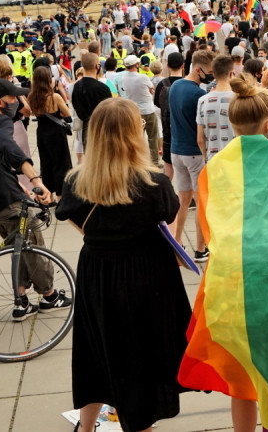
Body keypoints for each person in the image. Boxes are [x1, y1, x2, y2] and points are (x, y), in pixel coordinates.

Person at [178, 74, 268, 432]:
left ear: (233, 124)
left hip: (227, 283)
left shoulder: (214, 168)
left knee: (240, 377)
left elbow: (211, 229)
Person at [56, 98, 191, 432]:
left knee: (95, 350)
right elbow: (170, 215)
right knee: (140, 352)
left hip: (97, 272)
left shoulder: (76, 181)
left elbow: (71, 216)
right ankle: (139, 423)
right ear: (135, 135)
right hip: (146, 274)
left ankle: (86, 427)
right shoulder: (152, 183)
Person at [0, 79, 70, 319]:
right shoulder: (1, 122)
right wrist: (36, 181)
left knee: (17, 244)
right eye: (14, 98)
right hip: (2, 201)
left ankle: (21, 300)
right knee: (33, 242)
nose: (18, 102)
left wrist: (17, 185)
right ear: (0, 102)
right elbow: (10, 150)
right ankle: (50, 295)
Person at [167, 49, 214, 261]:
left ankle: (177, 243)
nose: (210, 75)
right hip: (194, 153)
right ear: (198, 70)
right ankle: (200, 248)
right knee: (200, 201)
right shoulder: (199, 95)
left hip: (176, 150)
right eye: (209, 72)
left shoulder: (175, 86)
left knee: (182, 200)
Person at [27, 66, 72, 202]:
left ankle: (49, 196)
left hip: (42, 132)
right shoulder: (55, 97)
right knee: (60, 164)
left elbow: (33, 113)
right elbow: (68, 113)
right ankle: (61, 196)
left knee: (46, 163)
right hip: (56, 133)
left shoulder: (31, 97)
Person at [121, 54, 160, 166]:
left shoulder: (124, 77)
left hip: (134, 111)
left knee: (136, 139)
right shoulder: (143, 77)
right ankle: (154, 162)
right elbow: (151, 88)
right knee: (152, 138)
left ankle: (137, 162)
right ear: (137, 65)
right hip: (148, 110)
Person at [196, 54, 236, 161]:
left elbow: (200, 139)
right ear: (231, 73)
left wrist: (206, 158)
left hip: (213, 161)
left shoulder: (202, 101)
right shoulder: (239, 99)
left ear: (214, 74)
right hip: (235, 160)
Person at [70, 53, 112, 150]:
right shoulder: (102, 88)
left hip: (86, 128)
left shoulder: (77, 86)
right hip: (101, 129)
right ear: (97, 66)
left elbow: (76, 105)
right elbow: (109, 110)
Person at [153, 51, 185, 180]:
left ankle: (168, 192)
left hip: (168, 132)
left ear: (167, 65)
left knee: (168, 165)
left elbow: (157, 103)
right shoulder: (187, 83)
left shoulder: (162, 84)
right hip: (185, 132)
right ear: (183, 66)